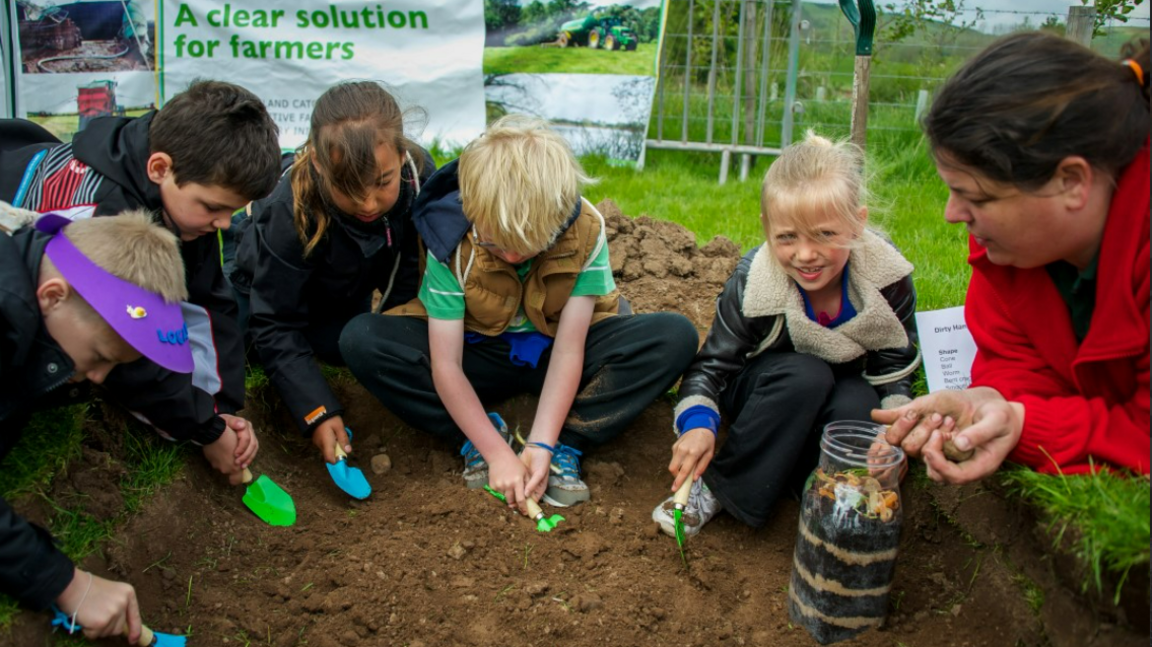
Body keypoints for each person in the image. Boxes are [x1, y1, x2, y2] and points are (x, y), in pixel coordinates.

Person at [340, 115, 699, 513]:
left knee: (675, 336)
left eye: (527, 246)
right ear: (472, 209)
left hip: (554, 351)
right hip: (476, 352)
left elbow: (569, 350)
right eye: (496, 244)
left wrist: (542, 443)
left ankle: (569, 445)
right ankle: (475, 435)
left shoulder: (586, 230)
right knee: (362, 340)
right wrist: (494, 452)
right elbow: (446, 364)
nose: (511, 257)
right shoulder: (449, 237)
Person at [874, 33, 1150, 484]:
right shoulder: (1009, 254)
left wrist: (1026, 424)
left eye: (975, 197)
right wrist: (988, 402)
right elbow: (1012, 361)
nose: (951, 215)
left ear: (1072, 182)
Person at [0, 80, 283, 484]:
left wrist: (220, 408)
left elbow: (206, 300)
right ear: (160, 168)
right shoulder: (106, 213)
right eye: (215, 208)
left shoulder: (182, 193)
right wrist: (202, 429)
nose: (224, 223)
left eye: (232, 211)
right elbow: (128, 344)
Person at [651, 132, 920, 538]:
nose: (806, 254)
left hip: (833, 396)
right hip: (766, 395)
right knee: (806, 374)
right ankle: (723, 488)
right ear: (766, 228)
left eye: (825, 235)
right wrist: (699, 424)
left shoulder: (887, 279)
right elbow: (712, 367)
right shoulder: (752, 282)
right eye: (788, 237)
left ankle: (820, 493)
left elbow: (894, 365)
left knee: (860, 400)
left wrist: (895, 436)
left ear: (857, 223)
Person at [0, 209, 209, 644]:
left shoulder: (38, 284)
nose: (97, 378)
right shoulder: (5, 314)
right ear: (53, 296)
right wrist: (65, 582)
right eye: (98, 356)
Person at [228, 81, 433, 464]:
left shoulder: (418, 180)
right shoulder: (287, 212)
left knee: (348, 342)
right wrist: (317, 409)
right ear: (319, 164)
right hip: (257, 288)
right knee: (239, 343)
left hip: (342, 295)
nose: (368, 203)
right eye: (347, 187)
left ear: (403, 155)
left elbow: (410, 276)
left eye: (382, 182)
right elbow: (274, 320)